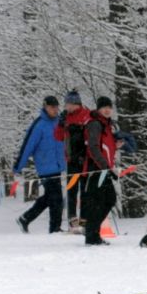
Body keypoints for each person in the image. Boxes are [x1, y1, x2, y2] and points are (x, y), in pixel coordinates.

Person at [13, 96, 65, 233]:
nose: (54, 110)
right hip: (45, 167)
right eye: (51, 107)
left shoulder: (60, 122)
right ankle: (55, 228)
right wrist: (18, 166)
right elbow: (27, 146)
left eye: (56, 107)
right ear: (45, 107)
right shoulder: (39, 124)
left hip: (57, 166)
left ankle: (25, 218)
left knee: (50, 198)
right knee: (56, 198)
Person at [81, 96, 118, 245]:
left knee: (108, 200)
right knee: (103, 201)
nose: (107, 110)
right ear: (98, 109)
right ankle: (91, 235)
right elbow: (93, 147)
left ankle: (92, 233)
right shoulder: (96, 124)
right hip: (96, 169)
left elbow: (105, 147)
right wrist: (105, 167)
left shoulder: (106, 125)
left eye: (109, 107)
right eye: (104, 107)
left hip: (103, 169)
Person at [54, 90, 92, 232]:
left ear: (76, 104)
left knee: (84, 190)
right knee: (71, 190)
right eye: (66, 104)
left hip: (84, 159)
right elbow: (58, 137)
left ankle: (84, 220)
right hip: (71, 160)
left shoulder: (86, 115)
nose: (67, 107)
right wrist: (60, 124)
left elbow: (90, 136)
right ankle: (72, 220)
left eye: (69, 104)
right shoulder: (66, 118)